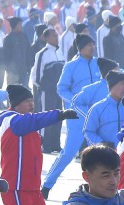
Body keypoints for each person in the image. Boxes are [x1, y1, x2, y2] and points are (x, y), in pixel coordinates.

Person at [40, 34, 99, 195]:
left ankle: (101, 189)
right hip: (78, 117)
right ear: (80, 48)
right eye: (89, 45)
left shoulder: (98, 64)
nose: (92, 48)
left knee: (103, 153)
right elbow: (61, 89)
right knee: (69, 152)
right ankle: (46, 186)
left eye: (93, 44)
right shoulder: (71, 66)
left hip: (97, 116)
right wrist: (75, 102)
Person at [30, 26, 65, 153]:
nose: (57, 38)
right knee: (46, 117)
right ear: (47, 38)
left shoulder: (60, 52)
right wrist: (43, 88)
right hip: (47, 91)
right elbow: (36, 75)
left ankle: (56, 144)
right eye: (54, 35)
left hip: (58, 92)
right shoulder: (42, 54)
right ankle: (45, 144)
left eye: (57, 35)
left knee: (58, 118)